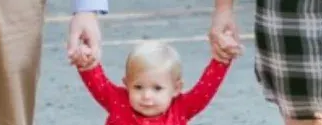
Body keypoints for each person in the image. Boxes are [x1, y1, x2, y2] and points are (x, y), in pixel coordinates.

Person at [70, 40, 231, 125]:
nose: (147, 96)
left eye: (157, 88)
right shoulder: (118, 101)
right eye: (138, 87)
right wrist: (86, 60)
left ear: (176, 88)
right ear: (126, 84)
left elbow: (205, 88)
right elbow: (97, 82)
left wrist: (221, 61)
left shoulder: (180, 108)